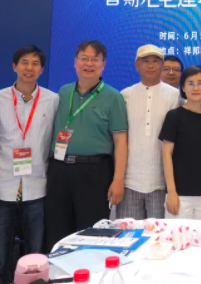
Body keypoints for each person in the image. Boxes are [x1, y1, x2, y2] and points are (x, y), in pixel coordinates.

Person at [45, 40, 128, 251]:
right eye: (84, 58)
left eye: (95, 59)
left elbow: (120, 141)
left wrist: (118, 180)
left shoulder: (113, 97)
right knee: (57, 229)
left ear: (103, 64)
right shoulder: (63, 92)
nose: (89, 64)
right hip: (59, 170)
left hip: (94, 172)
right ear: (75, 62)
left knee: (91, 231)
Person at [0, 45, 59, 284]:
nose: (29, 68)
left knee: (35, 256)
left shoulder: (52, 100)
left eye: (35, 64)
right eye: (24, 63)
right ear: (14, 66)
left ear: (42, 69)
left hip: (37, 186)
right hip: (4, 186)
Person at [118, 45, 180, 220]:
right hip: (130, 180)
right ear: (137, 65)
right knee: (130, 231)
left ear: (162, 65)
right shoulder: (125, 95)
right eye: (145, 61)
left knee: (159, 233)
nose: (150, 65)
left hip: (161, 181)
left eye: (155, 61)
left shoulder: (175, 95)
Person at [159, 66, 201, 220]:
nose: (195, 88)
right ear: (183, 88)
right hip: (179, 195)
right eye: (190, 83)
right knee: (176, 235)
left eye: (200, 83)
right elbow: (166, 154)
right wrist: (171, 191)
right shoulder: (174, 116)